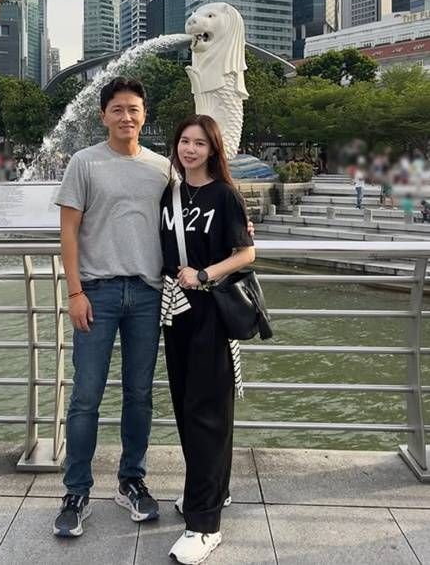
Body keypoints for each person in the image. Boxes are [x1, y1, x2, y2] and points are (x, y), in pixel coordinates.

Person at [52, 77, 169, 537]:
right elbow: (68, 231)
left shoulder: (162, 167)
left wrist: (242, 228)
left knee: (140, 394)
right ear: (103, 116)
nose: (126, 117)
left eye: (133, 109)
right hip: (96, 292)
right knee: (86, 396)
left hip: (147, 293)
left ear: (144, 115)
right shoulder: (84, 162)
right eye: (117, 109)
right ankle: (76, 491)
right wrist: (74, 292)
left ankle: (131, 481)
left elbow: (190, 215)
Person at [160, 115, 255, 564]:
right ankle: (211, 490)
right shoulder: (171, 193)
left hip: (211, 311)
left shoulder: (225, 194)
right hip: (175, 312)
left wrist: (203, 274)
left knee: (208, 412)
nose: (190, 149)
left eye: (200, 143)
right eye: (184, 141)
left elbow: (246, 252)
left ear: (213, 149)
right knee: (186, 405)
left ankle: (204, 525)